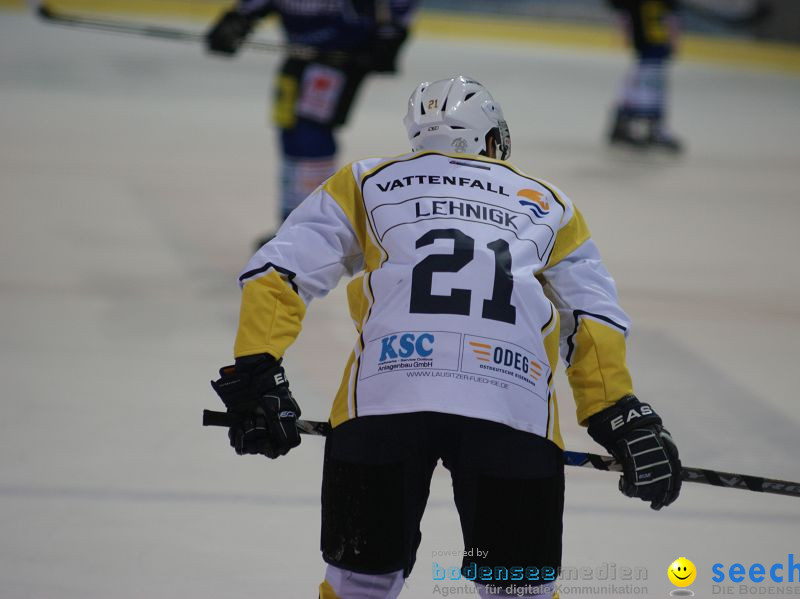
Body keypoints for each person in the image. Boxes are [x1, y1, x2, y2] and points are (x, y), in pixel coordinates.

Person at [210, 76, 682, 599]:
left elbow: (278, 271)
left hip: (387, 397)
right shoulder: (550, 204)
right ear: (491, 140)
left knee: (361, 581)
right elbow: (592, 315)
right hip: (509, 405)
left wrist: (257, 368)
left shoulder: (366, 180)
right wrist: (616, 412)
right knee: (515, 587)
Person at [205, 0, 418, 242]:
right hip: (299, 58)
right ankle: (295, 224)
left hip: (338, 61)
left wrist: (389, 31)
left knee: (309, 134)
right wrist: (237, 20)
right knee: (290, 131)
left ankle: (312, 229)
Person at [605, 0, 683, 152]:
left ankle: (630, 125)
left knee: (643, 77)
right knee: (648, 79)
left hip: (650, 40)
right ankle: (651, 128)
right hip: (650, 41)